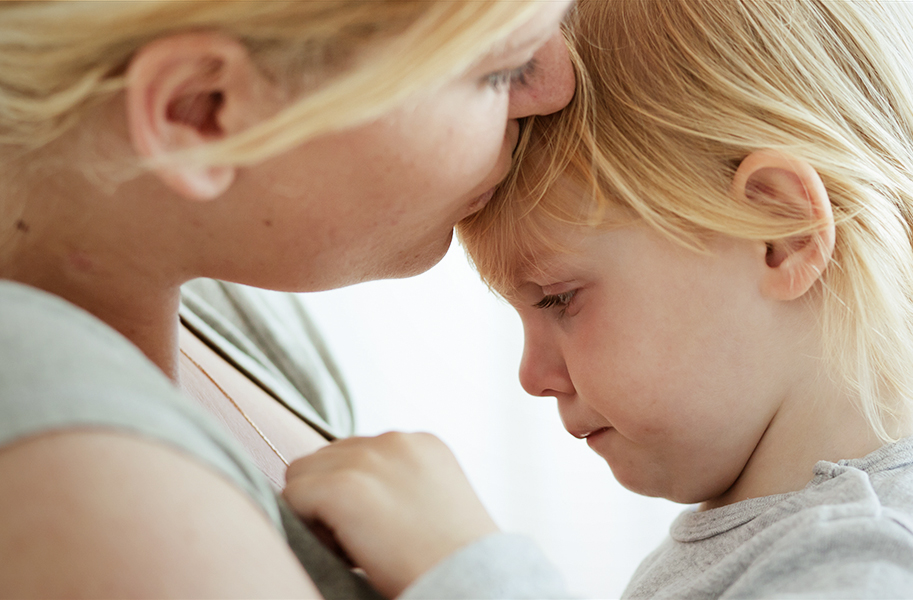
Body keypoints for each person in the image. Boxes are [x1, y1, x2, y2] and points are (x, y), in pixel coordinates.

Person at [283, 0, 913, 597]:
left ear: (782, 234)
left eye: (560, 298)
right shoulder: (774, 539)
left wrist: (469, 574)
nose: (532, 375)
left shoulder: (869, 569)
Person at [0, 0, 576, 597]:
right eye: (498, 70)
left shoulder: (234, 319)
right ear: (199, 109)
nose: (560, 85)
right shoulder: (82, 480)